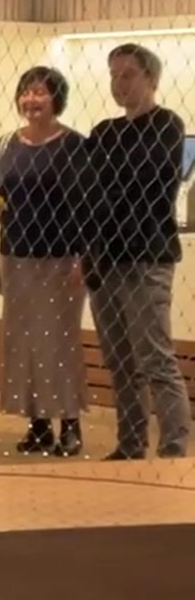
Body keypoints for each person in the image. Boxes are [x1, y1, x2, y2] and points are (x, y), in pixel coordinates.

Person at [83, 43, 190, 460]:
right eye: (113, 75)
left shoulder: (167, 125)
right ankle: (130, 446)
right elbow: (88, 191)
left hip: (146, 258)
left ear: (152, 79)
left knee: (155, 360)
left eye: (128, 74)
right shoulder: (104, 132)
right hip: (104, 261)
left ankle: (173, 450)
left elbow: (141, 181)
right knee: (120, 361)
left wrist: (104, 192)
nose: (119, 84)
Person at [0, 67, 89, 457]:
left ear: (56, 98)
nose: (31, 100)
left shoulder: (75, 146)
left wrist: (84, 259)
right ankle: (38, 424)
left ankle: (70, 423)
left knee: (60, 343)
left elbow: (88, 207)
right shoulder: (7, 143)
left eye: (40, 92)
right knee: (23, 342)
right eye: (26, 92)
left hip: (62, 259)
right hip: (16, 255)